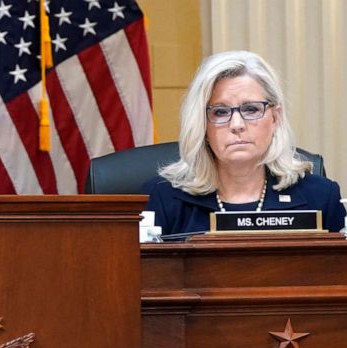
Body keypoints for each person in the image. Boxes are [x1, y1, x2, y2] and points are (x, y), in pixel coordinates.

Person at [143, 50, 345, 236]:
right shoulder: (161, 197)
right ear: (202, 125)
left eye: (251, 109)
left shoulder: (320, 197)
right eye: (220, 112)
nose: (237, 125)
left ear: (275, 117)